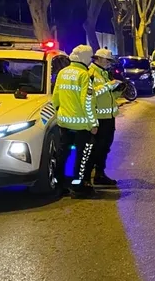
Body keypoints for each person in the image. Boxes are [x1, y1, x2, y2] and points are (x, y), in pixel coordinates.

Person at [52, 45, 115, 198]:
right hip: (81, 125)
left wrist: (61, 112)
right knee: (82, 157)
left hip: (64, 122)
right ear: (84, 57)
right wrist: (93, 124)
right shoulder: (83, 75)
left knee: (63, 154)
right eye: (89, 57)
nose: (90, 60)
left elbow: (56, 97)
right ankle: (78, 187)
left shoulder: (62, 72)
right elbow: (87, 102)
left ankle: (60, 185)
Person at [89, 48, 123, 186]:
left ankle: (99, 174)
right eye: (107, 60)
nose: (109, 63)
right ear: (99, 58)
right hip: (99, 118)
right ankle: (92, 176)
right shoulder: (91, 73)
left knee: (105, 147)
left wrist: (119, 91)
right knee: (97, 148)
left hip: (108, 117)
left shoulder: (104, 73)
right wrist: (110, 85)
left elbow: (108, 96)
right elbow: (92, 94)